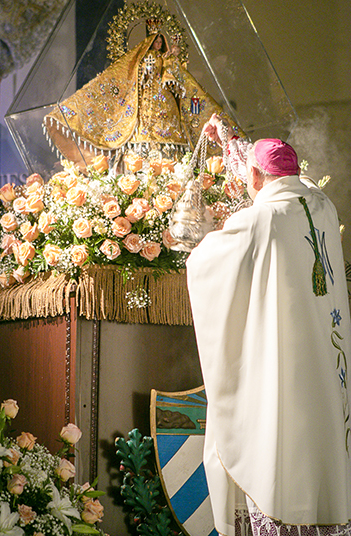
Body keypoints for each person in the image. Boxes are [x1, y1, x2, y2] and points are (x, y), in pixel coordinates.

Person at [186, 113, 351, 536]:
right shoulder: (324, 208)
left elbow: (205, 263)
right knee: (321, 440)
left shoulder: (260, 219)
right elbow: (286, 181)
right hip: (328, 359)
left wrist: (192, 245)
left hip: (284, 357)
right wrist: (229, 139)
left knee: (278, 433)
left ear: (257, 177)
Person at [43, 32, 242, 171]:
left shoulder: (167, 61)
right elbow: (131, 77)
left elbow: (178, 79)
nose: (157, 45)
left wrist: (172, 64)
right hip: (143, 104)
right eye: (154, 42)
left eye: (159, 42)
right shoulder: (141, 61)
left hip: (164, 103)